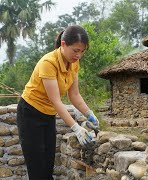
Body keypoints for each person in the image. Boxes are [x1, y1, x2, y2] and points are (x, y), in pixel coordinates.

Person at [16, 25, 99, 180]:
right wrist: (76, 128)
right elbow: (56, 101)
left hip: (48, 115)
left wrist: (89, 113)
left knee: (48, 166)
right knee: (37, 168)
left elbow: (74, 95)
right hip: (30, 114)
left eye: (82, 51)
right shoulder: (48, 62)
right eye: (75, 50)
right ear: (63, 44)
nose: (78, 55)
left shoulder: (74, 63)